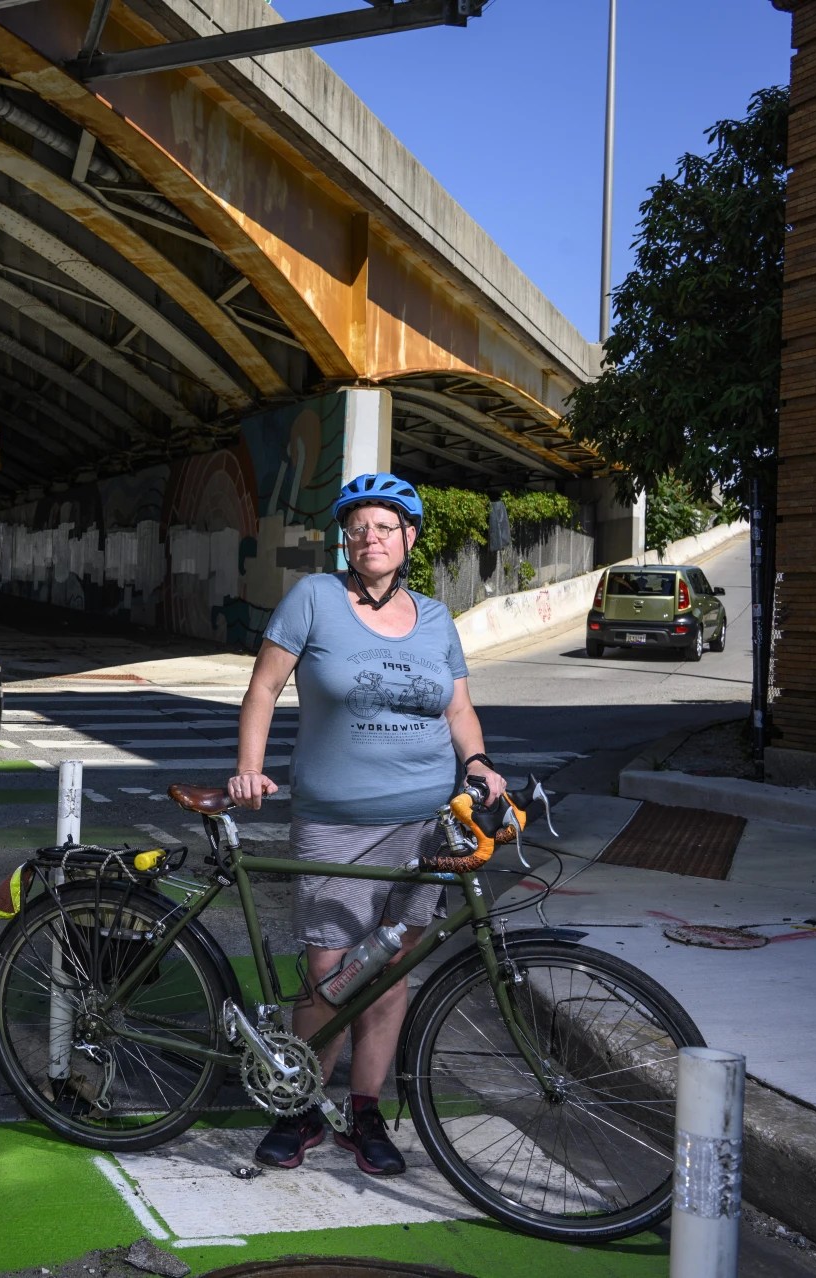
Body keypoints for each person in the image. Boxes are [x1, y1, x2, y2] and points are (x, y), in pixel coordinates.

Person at [228, 472, 506, 1177]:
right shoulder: (316, 598)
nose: (369, 538)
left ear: (409, 537)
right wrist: (251, 768)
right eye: (358, 529)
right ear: (346, 542)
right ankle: (299, 1104)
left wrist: (477, 764)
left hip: (422, 824)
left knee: (391, 974)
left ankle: (364, 1111)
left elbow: (459, 710)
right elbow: (264, 686)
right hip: (334, 823)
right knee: (332, 977)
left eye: (384, 527)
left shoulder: (438, 619)